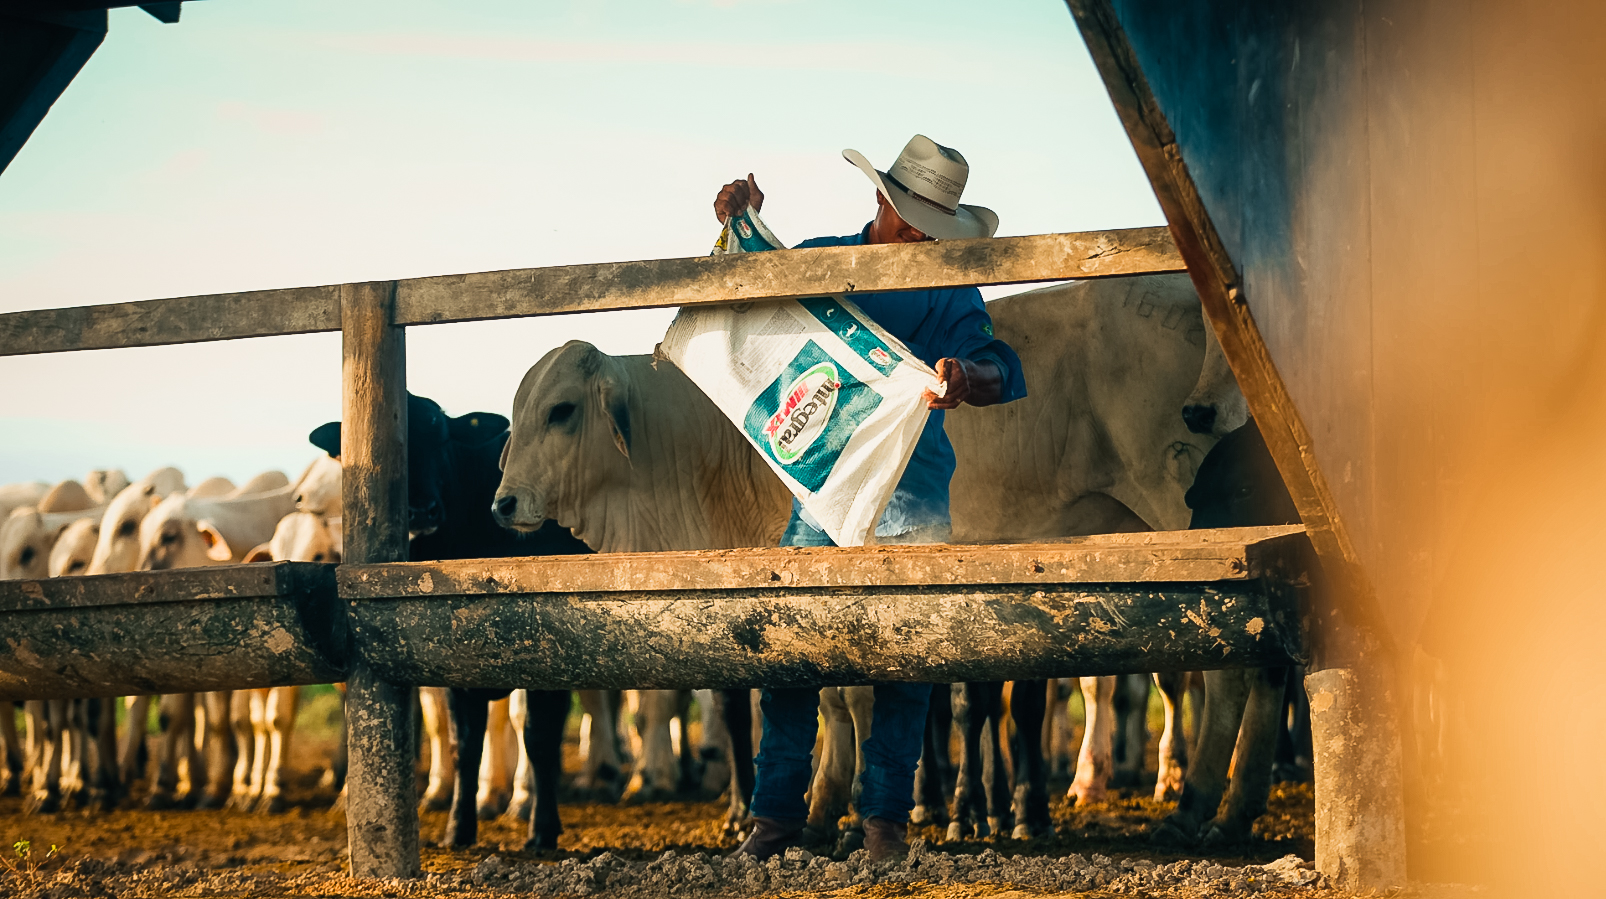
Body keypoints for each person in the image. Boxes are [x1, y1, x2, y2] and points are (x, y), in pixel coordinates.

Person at [712, 135, 1028, 861]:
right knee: (789, 645)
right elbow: (755, 291)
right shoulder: (822, 259)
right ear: (881, 199)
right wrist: (742, 225)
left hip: (910, 487)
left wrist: (965, 376)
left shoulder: (949, 284)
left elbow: (997, 363)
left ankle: (884, 821)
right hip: (821, 485)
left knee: (907, 658)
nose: (919, 232)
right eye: (909, 213)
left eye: (931, 222)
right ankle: (774, 819)